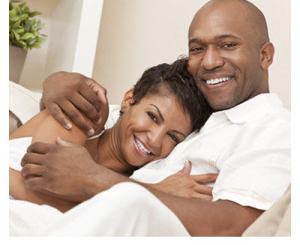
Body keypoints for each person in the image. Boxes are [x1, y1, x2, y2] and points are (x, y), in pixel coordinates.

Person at [15, 0, 290, 236]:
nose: (209, 62)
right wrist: (58, 81)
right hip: (56, 215)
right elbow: (119, 119)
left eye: (228, 45)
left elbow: (232, 227)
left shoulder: (275, 129)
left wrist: (95, 178)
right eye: (197, 49)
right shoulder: (198, 112)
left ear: (265, 55)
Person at [9, 59, 214, 213]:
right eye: (152, 116)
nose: (155, 139)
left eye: (174, 137)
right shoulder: (85, 117)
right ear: (128, 100)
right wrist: (155, 192)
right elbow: (36, 184)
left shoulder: (131, 179)